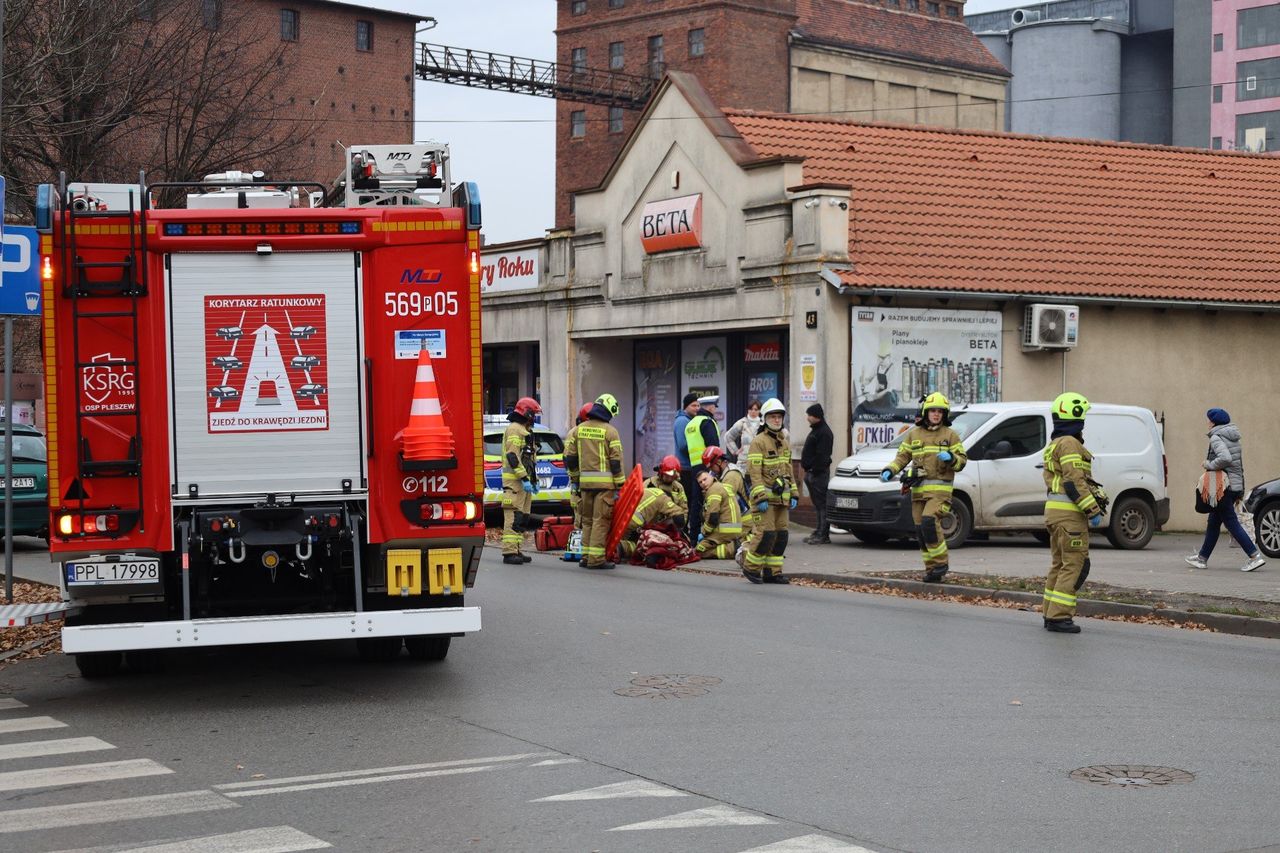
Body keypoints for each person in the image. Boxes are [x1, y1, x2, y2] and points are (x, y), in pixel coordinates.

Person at [880, 392, 968, 583]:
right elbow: (902, 457)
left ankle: (941, 563)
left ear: (944, 414)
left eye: (940, 411)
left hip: (940, 492)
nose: (936, 414)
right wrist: (889, 470)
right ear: (926, 412)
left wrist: (952, 458)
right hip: (919, 492)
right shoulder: (914, 434)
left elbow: (962, 462)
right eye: (933, 410)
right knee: (921, 532)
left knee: (929, 521)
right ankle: (932, 570)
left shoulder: (950, 435)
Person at [1040, 392, 1107, 634]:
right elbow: (1074, 481)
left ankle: (1050, 612)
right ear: (1076, 416)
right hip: (1070, 515)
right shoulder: (1069, 443)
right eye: (1083, 417)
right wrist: (1092, 509)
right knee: (1074, 565)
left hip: (1055, 513)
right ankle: (1059, 617)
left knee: (1059, 564)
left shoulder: (1056, 443)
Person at [1185, 408, 1266, 573]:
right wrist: (1239, 489)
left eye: (1209, 420)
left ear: (1214, 422)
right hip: (1232, 486)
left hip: (1223, 487)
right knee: (1213, 523)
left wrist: (1209, 464)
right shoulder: (1233, 436)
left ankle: (1254, 556)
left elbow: (1226, 458)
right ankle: (1202, 558)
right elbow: (1238, 465)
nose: (1207, 422)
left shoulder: (1216, 437)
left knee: (1231, 522)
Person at [565, 393, 625, 570]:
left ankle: (585, 557)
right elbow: (615, 461)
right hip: (605, 486)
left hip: (585, 485)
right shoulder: (610, 431)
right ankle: (596, 559)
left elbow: (570, 458)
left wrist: (576, 479)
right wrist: (621, 484)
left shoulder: (579, 430)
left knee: (587, 521)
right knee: (600, 521)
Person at [744, 398, 795, 584]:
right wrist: (760, 497)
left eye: (779, 416)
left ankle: (772, 572)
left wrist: (794, 493)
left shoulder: (784, 443)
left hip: (782, 500)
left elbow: (789, 470)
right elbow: (754, 473)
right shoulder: (759, 442)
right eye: (773, 417)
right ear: (765, 419)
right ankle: (751, 568)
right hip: (764, 500)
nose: (776, 420)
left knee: (781, 536)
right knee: (766, 535)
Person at [500, 397, 542, 565]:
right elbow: (513, 456)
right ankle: (509, 552)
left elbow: (529, 459)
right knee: (513, 516)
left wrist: (533, 480)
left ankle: (516, 549)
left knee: (522, 517)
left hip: (523, 483)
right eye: (534, 414)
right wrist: (524, 478)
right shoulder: (514, 430)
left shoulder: (524, 430)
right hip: (514, 483)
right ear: (527, 413)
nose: (534, 418)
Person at [682, 395, 721, 539]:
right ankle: (707, 534)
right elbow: (714, 447)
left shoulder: (690, 424)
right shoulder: (707, 422)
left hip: (694, 467)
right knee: (711, 500)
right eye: (714, 407)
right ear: (710, 406)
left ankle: (694, 536)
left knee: (695, 502)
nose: (715, 409)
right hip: (708, 466)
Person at [618, 487, 687, 558]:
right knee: (644, 543)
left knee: (621, 537)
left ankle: (618, 546)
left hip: (619, 516)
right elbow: (679, 516)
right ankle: (623, 547)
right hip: (632, 520)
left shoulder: (648, 490)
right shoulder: (664, 498)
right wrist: (678, 533)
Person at [801, 403, 834, 545]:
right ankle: (819, 531)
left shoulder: (824, 432)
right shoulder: (817, 430)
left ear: (816, 416)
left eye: (809, 415)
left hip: (818, 474)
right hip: (813, 473)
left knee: (822, 505)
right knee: (818, 505)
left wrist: (814, 470)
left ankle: (823, 534)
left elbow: (823, 456)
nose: (807, 418)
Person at [697, 471, 742, 558]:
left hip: (726, 529)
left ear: (711, 476)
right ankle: (732, 545)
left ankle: (732, 549)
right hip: (734, 527)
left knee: (699, 550)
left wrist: (704, 533)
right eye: (700, 482)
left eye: (705, 479)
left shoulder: (713, 490)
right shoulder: (720, 486)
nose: (703, 483)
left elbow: (712, 517)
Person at [723, 399, 763, 472]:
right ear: (748, 410)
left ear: (760, 411)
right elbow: (728, 437)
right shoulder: (742, 423)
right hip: (744, 462)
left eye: (756, 409)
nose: (753, 411)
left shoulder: (763, 424)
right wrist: (736, 451)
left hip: (760, 461)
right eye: (751, 409)